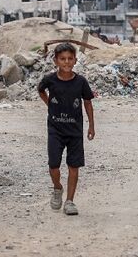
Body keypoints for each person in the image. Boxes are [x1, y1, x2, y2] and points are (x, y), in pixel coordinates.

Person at [37, 42, 95, 216]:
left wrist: (91, 125)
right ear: (56, 61)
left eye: (70, 59)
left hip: (75, 131)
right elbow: (41, 90)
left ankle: (70, 201)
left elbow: (87, 102)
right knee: (53, 165)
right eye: (63, 59)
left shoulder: (81, 82)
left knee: (73, 166)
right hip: (55, 130)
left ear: (75, 60)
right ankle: (57, 188)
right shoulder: (50, 80)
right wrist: (50, 105)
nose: (66, 62)